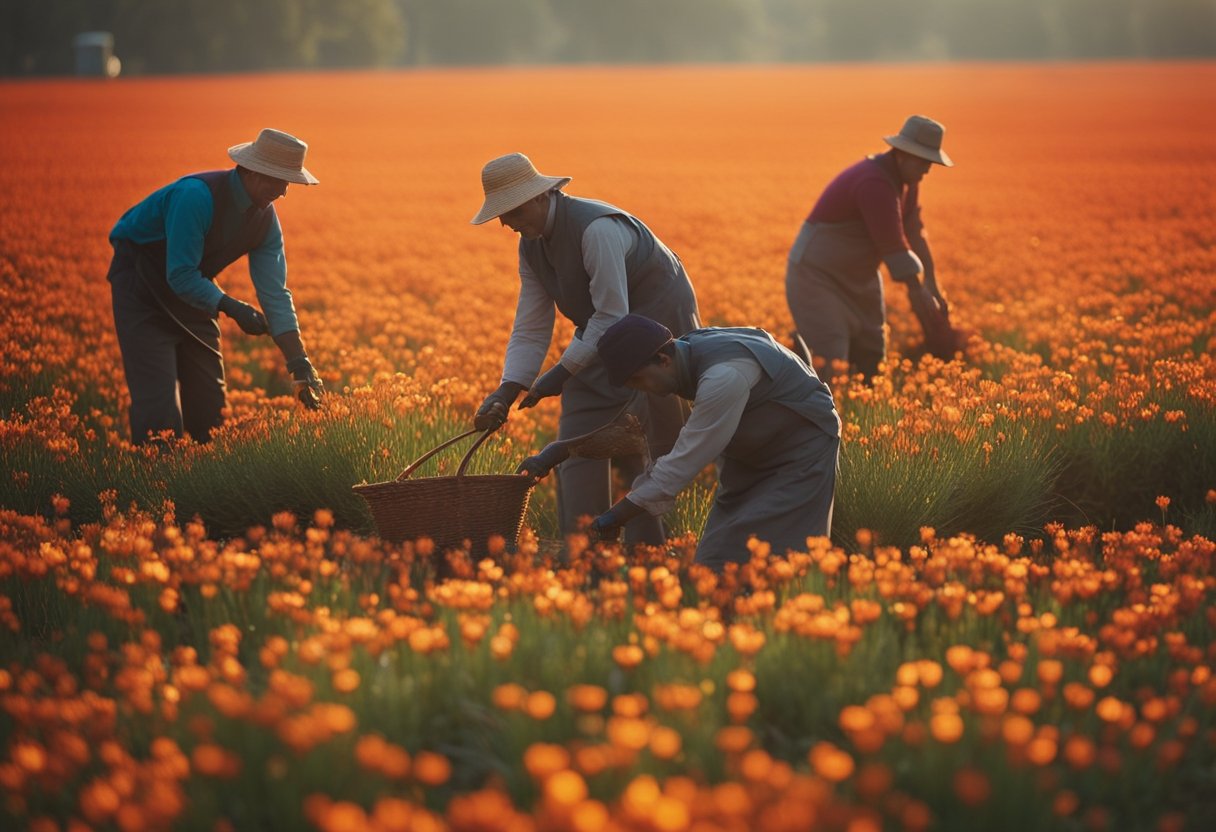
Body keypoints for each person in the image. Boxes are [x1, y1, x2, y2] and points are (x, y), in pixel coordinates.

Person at [471, 153, 701, 547]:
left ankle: (646, 554)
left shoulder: (596, 229)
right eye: (501, 215)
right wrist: (508, 390)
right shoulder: (532, 247)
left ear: (542, 197)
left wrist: (559, 375)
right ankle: (586, 551)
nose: (507, 222)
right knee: (577, 438)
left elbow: (613, 314)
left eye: (515, 209)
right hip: (602, 337)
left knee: (644, 443)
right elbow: (531, 326)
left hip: (659, 335)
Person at [525, 314, 840, 571]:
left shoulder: (723, 376)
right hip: (751, 456)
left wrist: (616, 515)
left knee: (779, 558)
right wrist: (560, 451)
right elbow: (628, 427)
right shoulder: (683, 351)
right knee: (715, 559)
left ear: (662, 360)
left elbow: (682, 464)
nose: (642, 389)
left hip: (801, 451)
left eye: (639, 380)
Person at [107, 128, 325, 445]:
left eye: (287, 182)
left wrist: (299, 363)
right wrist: (233, 308)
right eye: (278, 180)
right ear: (251, 171)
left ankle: (200, 486)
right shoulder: (196, 197)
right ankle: (159, 489)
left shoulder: (265, 220)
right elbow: (180, 274)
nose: (283, 192)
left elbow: (276, 294)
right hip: (141, 288)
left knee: (210, 413)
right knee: (159, 413)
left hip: (196, 294)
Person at [786, 114, 955, 380]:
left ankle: (861, 416)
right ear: (903, 154)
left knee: (872, 352)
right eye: (924, 161)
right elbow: (893, 244)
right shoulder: (874, 182)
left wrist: (932, 284)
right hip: (817, 278)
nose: (928, 169)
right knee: (831, 357)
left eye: (931, 162)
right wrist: (916, 290)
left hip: (859, 278)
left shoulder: (908, 184)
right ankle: (819, 417)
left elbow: (914, 233)